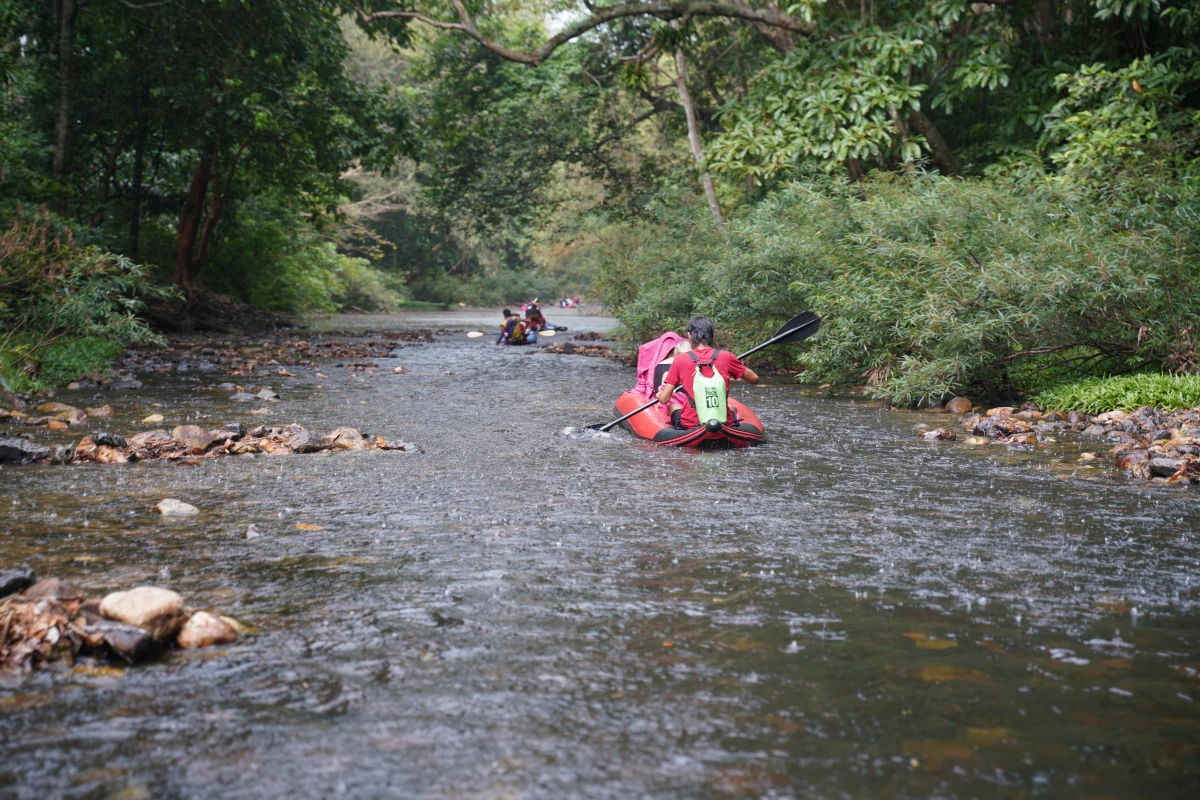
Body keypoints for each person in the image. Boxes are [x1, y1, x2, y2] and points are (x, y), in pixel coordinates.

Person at [656, 317, 758, 429]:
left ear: (689, 336)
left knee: (673, 406)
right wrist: (734, 366)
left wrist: (658, 395)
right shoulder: (726, 356)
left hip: (691, 423)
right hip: (723, 420)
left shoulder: (680, 359)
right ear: (712, 336)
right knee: (732, 408)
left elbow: (664, 399)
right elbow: (754, 379)